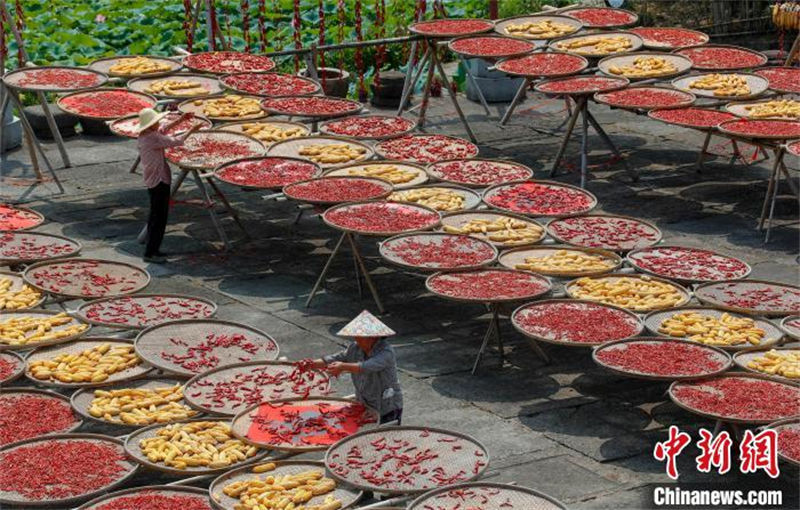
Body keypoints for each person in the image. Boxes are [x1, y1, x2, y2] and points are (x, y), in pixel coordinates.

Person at [312, 310, 403, 424]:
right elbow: (335, 358)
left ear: (372, 337)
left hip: (386, 406)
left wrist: (342, 367)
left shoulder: (386, 352)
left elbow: (366, 367)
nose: (356, 339)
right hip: (364, 401)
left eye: (359, 336)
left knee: (384, 436)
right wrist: (310, 364)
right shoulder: (355, 348)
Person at [136, 108, 201, 263]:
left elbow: (163, 129)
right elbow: (176, 141)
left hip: (155, 179)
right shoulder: (151, 139)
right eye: (156, 121)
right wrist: (192, 129)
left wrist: (182, 119)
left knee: (155, 216)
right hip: (158, 181)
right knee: (158, 218)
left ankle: (154, 250)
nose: (158, 123)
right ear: (150, 125)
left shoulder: (146, 134)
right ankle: (150, 253)